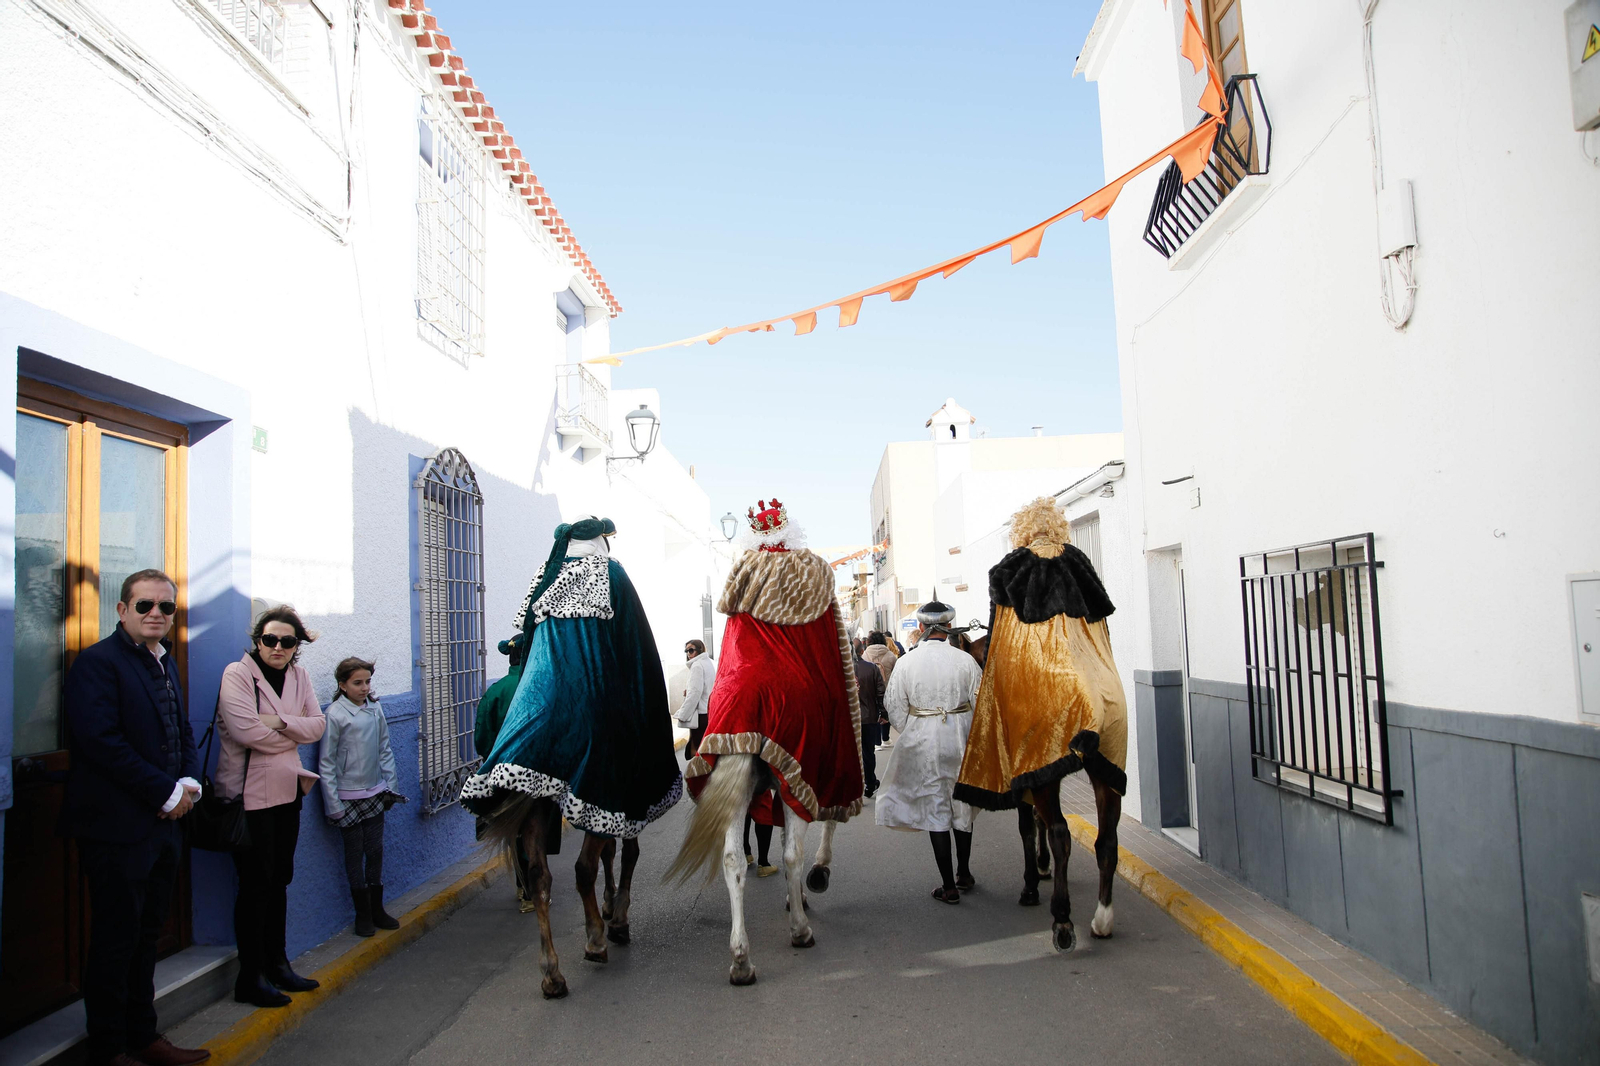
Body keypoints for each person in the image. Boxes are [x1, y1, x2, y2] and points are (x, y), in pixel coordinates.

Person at [60, 568, 211, 1066]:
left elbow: (180, 731)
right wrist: (165, 791)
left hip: (164, 826)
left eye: (166, 608)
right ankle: (108, 1049)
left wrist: (189, 784)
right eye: (144, 605)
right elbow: (101, 743)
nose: (156, 615)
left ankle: (143, 1037)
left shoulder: (165, 663)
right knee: (115, 942)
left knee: (147, 938)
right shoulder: (97, 664)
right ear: (122, 610)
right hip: (117, 830)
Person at [461, 517, 682, 839]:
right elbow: (635, 641)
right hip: (594, 696)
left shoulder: (544, 573)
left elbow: (530, 636)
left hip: (539, 695)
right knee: (618, 758)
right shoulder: (612, 572)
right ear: (600, 541)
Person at [217, 606, 326, 1008]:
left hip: (287, 791)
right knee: (255, 885)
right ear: (257, 640)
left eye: (287, 641)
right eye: (269, 639)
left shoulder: (300, 676)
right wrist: (292, 728)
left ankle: (278, 965)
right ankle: (251, 976)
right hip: (249, 797)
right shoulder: (237, 674)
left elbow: (317, 726)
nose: (277, 647)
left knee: (279, 879)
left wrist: (277, 722)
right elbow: (246, 731)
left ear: (297, 646)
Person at [875, 601, 984, 904]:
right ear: (950, 627)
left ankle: (948, 886)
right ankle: (964, 872)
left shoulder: (907, 662)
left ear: (921, 628)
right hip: (960, 736)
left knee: (936, 804)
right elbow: (981, 706)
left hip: (925, 738)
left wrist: (913, 728)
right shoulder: (965, 661)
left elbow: (894, 706)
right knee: (962, 804)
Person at [319, 657, 404, 938]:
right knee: (354, 854)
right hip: (347, 795)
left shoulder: (375, 709)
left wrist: (390, 786)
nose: (364, 687)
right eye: (357, 683)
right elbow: (327, 761)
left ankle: (377, 908)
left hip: (374, 791)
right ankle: (362, 914)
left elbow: (384, 749)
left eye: (367, 681)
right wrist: (333, 802)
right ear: (342, 685)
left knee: (375, 850)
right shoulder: (335, 714)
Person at [471, 633, 538, 912]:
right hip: (537, 772)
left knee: (516, 832)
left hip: (503, 773)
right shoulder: (540, 687)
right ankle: (536, 886)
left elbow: (482, 740)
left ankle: (525, 889)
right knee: (537, 829)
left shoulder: (496, 691)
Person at [852, 640, 885, 797]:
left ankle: (855, 785)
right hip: (868, 716)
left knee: (851, 754)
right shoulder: (871, 668)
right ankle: (869, 783)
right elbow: (880, 692)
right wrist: (883, 712)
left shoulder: (839, 669)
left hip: (848, 719)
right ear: (862, 650)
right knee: (868, 752)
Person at [676, 638, 717, 760]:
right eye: (686, 651)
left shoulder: (697, 666)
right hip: (710, 712)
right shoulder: (710, 663)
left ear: (699, 650)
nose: (689, 654)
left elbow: (695, 693)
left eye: (691, 650)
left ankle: (697, 776)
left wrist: (683, 715)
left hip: (700, 715)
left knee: (697, 750)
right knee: (706, 748)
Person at [862, 631, 897, 747]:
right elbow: (895, 673)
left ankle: (876, 742)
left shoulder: (865, 654)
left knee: (873, 711)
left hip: (869, 689)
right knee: (885, 710)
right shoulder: (890, 655)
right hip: (887, 688)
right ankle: (885, 738)